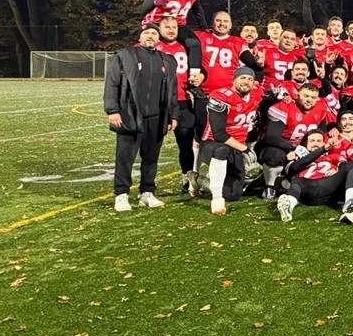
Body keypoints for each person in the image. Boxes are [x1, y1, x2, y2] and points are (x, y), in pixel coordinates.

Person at [104, 24, 179, 212]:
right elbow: (112, 83)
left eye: (154, 33)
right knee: (125, 157)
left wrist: (173, 115)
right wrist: (112, 110)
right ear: (140, 36)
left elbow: (172, 91)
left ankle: (147, 192)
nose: (150, 36)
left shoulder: (167, 60)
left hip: (157, 116)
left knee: (151, 158)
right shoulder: (124, 56)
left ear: (159, 37)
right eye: (147, 33)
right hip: (130, 115)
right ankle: (121, 195)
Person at [200, 66, 264, 215]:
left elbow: (268, 96)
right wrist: (245, 149)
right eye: (242, 78)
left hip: (235, 148)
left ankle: (200, 180)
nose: (246, 82)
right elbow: (219, 134)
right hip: (212, 145)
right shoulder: (221, 95)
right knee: (222, 150)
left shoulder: (256, 94)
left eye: (250, 79)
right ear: (234, 80)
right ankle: (216, 199)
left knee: (233, 194)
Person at [155, 16, 200, 196]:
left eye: (174, 26)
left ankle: (187, 177)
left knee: (186, 142)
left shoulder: (186, 47)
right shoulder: (153, 46)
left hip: (182, 100)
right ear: (159, 28)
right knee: (152, 144)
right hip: (158, 103)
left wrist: (199, 76)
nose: (171, 29)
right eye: (167, 26)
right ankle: (147, 183)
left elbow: (199, 69)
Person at [275, 129, 353, 223]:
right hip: (309, 190)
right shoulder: (296, 156)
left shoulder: (333, 156)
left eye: (319, 141)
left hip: (330, 187)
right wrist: (323, 148)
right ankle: (289, 206)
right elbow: (294, 168)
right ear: (305, 143)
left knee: (352, 164)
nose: (316, 144)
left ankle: (349, 204)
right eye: (312, 141)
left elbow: (346, 168)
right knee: (297, 180)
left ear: (323, 142)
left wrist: (337, 171)